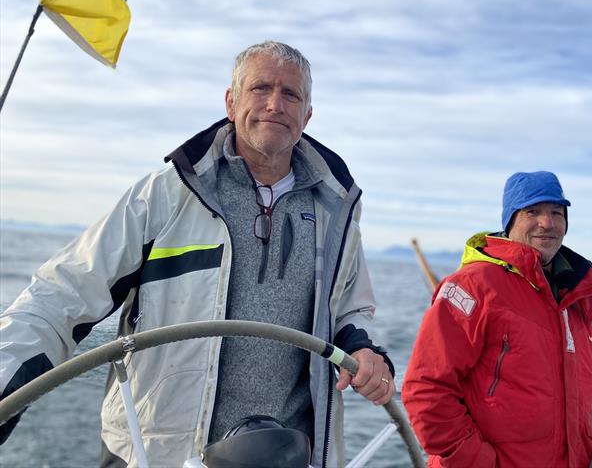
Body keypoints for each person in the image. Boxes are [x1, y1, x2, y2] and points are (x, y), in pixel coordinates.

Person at [0, 41, 395, 467]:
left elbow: (351, 309)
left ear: (308, 115)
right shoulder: (167, 194)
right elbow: (61, 296)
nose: (275, 104)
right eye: (260, 88)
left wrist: (366, 351)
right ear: (231, 102)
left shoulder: (336, 211)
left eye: (291, 94)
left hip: (288, 453)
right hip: (157, 453)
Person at [402, 171, 592, 468]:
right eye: (533, 211)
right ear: (510, 220)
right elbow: (427, 390)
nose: (547, 223)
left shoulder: (573, 299)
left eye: (556, 212)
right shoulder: (473, 286)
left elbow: (577, 412)